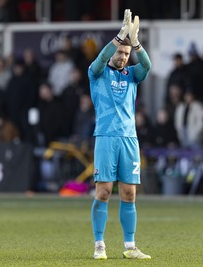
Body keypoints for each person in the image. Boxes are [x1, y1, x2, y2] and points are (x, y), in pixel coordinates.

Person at [88, 10, 152, 260]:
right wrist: (118, 38)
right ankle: (99, 245)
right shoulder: (98, 73)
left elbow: (147, 65)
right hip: (105, 137)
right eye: (121, 53)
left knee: (129, 194)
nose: (123, 57)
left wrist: (135, 43)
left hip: (129, 139)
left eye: (127, 54)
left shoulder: (132, 76)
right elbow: (101, 57)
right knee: (103, 191)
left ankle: (130, 246)